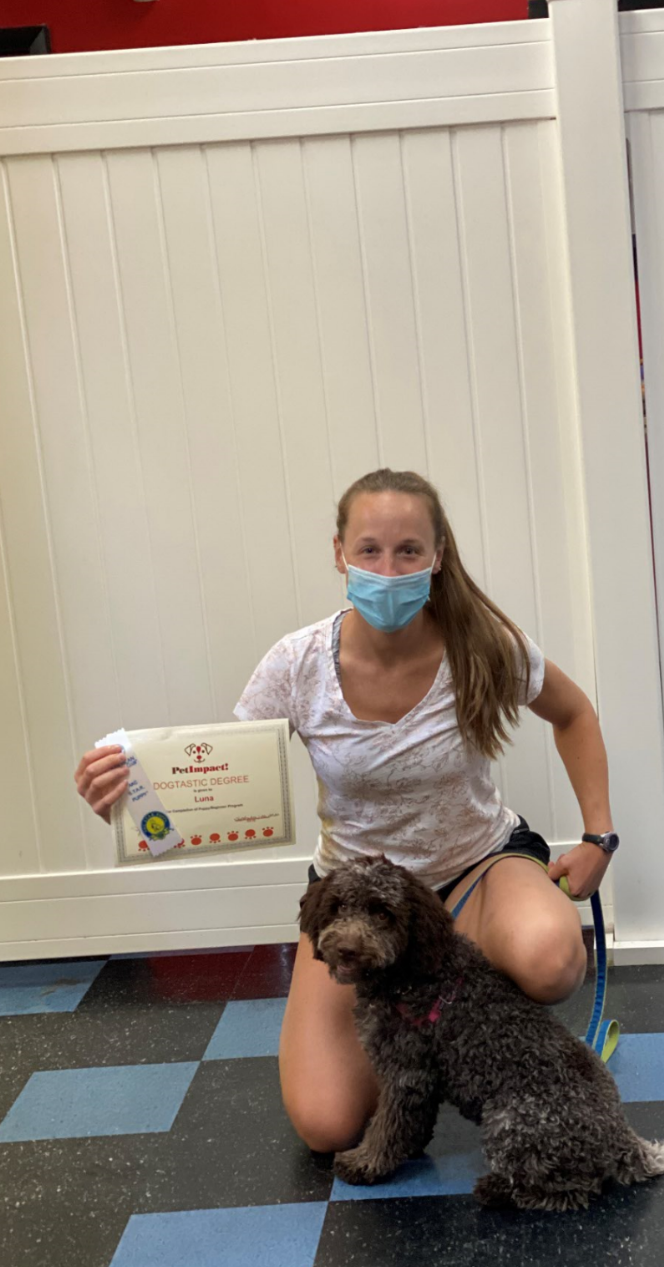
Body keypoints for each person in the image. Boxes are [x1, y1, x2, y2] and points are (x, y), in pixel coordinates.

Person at [75, 468, 619, 1154]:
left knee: (552, 958)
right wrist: (133, 804)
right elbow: (225, 786)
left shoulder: (482, 640)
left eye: (408, 551)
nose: (388, 570)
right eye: (369, 550)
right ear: (339, 553)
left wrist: (599, 834)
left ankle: (492, 1050)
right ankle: (425, 1037)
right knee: (328, 1125)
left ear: (439, 555)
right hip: (356, 900)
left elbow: (572, 713)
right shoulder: (296, 665)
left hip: (477, 870)